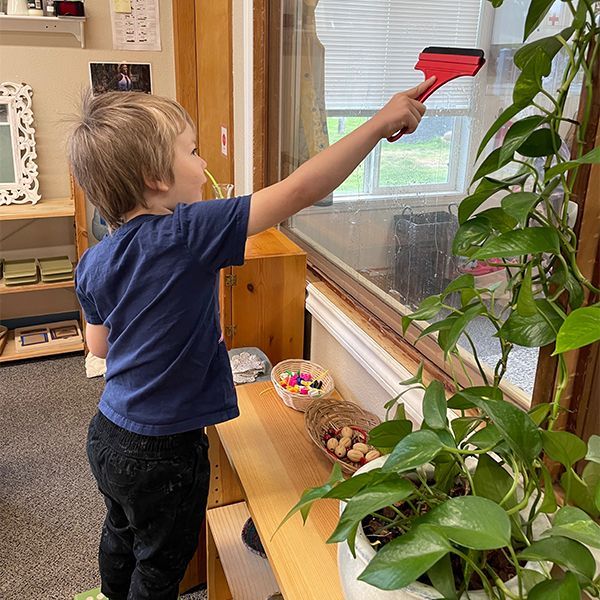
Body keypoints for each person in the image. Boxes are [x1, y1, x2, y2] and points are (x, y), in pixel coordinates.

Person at [67, 78, 434, 600]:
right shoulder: (187, 231)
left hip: (108, 435)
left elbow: (99, 348)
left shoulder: (94, 259)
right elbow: (299, 192)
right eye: (192, 152)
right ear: (155, 177)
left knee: (122, 531)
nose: (202, 164)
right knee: (160, 563)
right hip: (166, 451)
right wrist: (378, 125)